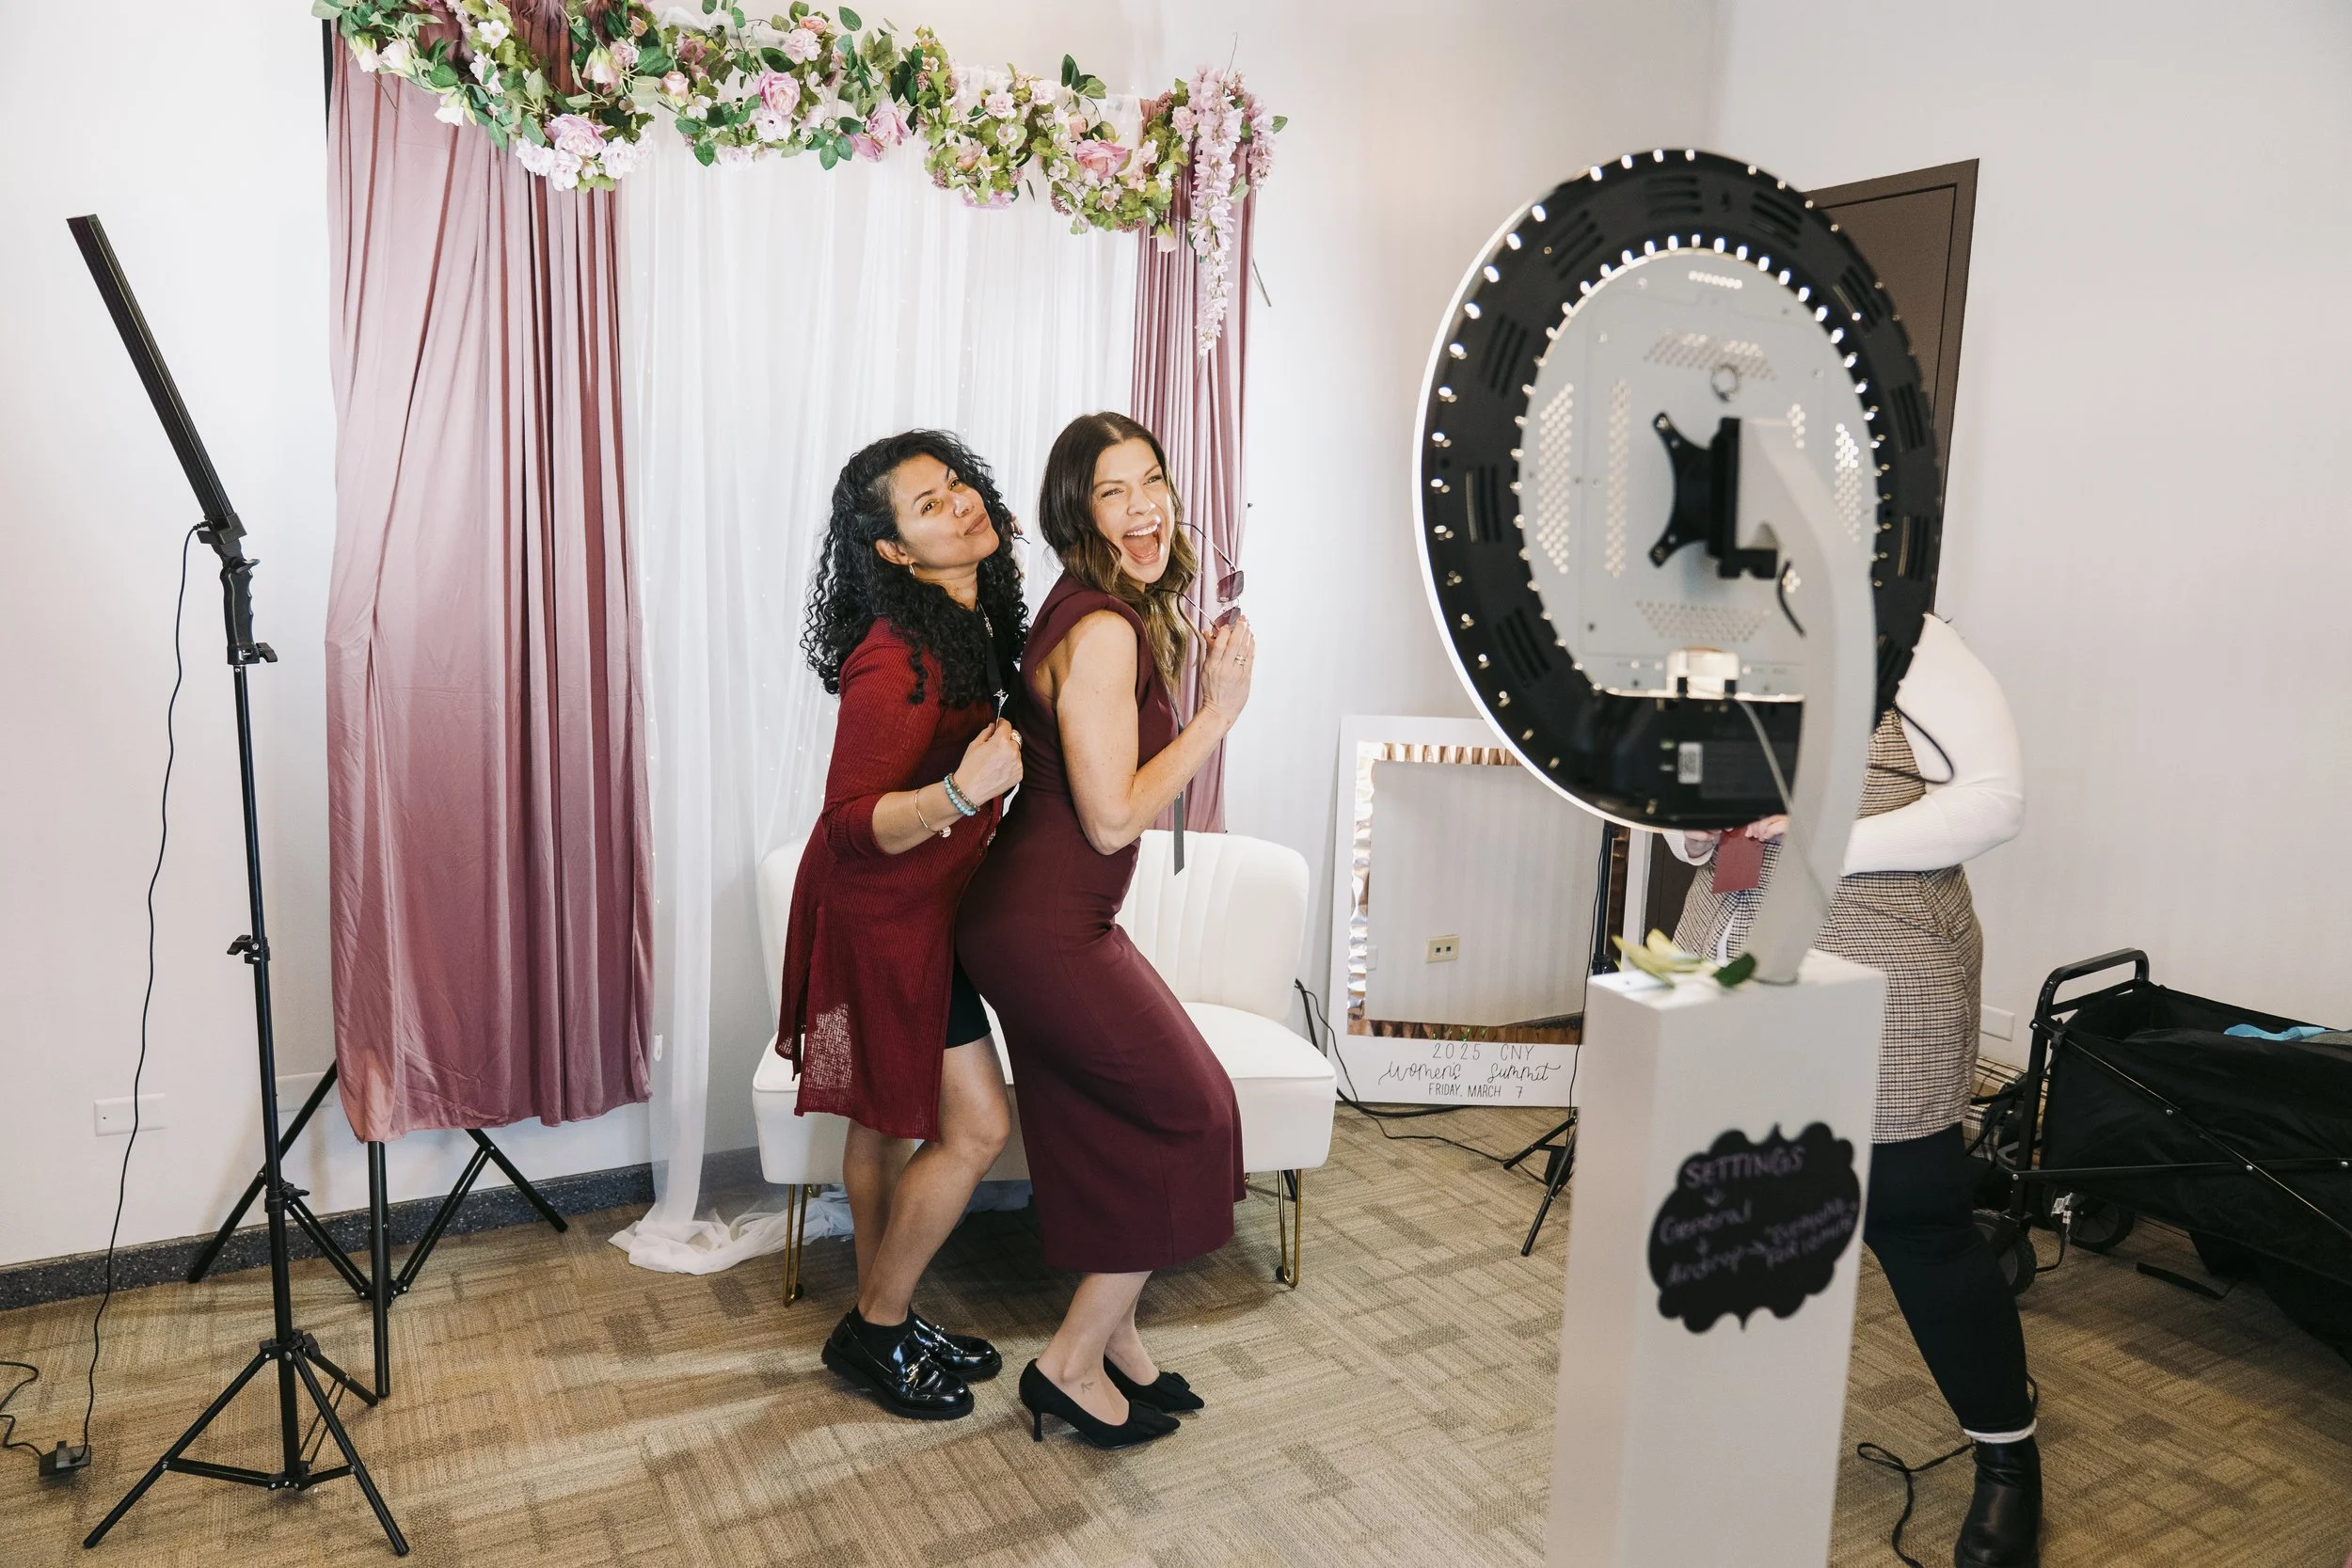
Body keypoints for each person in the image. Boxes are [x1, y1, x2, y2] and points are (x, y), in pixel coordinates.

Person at [1669, 613, 2037, 1568]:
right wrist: (1693, 825)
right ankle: (1744, 1434)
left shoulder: (1904, 637)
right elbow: (1675, 812)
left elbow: (1995, 801)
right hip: (1728, 942)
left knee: (1913, 1212)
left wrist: (1822, 836)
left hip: (1882, 943)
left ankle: (2007, 1455)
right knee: (1736, 1200)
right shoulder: (1702, 638)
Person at [957, 412, 1255, 1449]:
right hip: (1046, 927)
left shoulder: (1104, 609)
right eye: (1113, 493)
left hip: (1042, 920)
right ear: (1079, 515)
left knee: (1098, 1129)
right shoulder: (1105, 628)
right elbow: (1112, 815)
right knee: (1195, 1114)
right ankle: (1066, 1362)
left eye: (1153, 482)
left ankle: (1119, 1345)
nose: (1144, 509)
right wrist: (1217, 715)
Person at [777, 430, 1027, 1421]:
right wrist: (962, 793)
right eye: (930, 505)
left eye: (957, 485)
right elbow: (847, 823)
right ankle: (874, 1329)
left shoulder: (970, 612)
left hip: (922, 911)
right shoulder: (897, 655)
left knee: (882, 1120)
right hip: (877, 917)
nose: (959, 504)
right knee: (975, 1125)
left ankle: (890, 1310)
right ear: (893, 551)